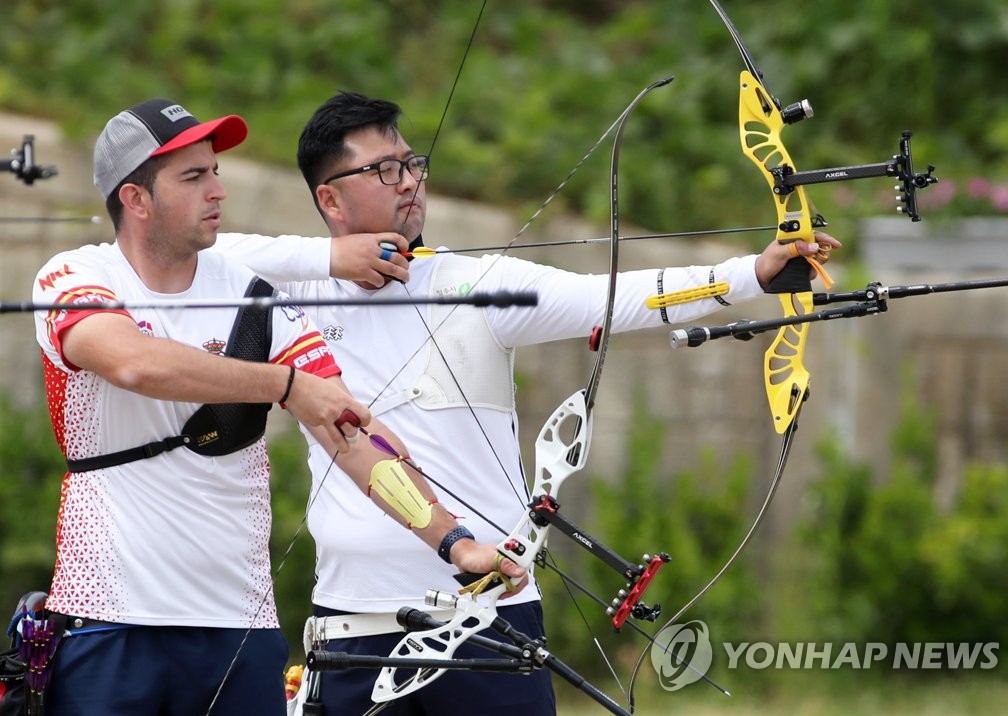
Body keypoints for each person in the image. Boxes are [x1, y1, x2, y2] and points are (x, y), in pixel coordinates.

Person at [213, 90, 841, 715]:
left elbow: (614, 297)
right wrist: (329, 259)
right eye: (384, 170)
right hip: (352, 628)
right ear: (330, 198)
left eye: (412, 164)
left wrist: (752, 274)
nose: (409, 182)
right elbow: (195, 251)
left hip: (487, 618)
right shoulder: (289, 290)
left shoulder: (475, 285)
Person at [32, 97, 522, 716]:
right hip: (109, 618)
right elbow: (132, 362)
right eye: (193, 177)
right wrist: (284, 384)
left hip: (242, 628)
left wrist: (454, 541)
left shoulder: (253, 294)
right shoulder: (74, 275)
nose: (218, 190)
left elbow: (351, 434)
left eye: (215, 171)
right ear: (136, 200)